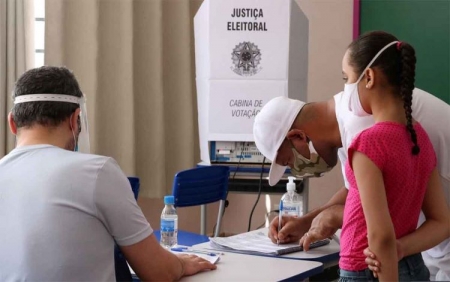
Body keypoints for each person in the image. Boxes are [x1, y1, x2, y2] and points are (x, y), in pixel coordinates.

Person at [254, 32, 450, 280]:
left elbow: (379, 219)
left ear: (297, 137)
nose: (296, 169)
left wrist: (334, 217)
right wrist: (307, 221)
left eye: (289, 161)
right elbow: (357, 190)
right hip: (416, 247)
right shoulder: (356, 120)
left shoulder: (364, 122)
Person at [0, 66, 217, 281]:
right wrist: (181, 264)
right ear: (75, 119)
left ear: (12, 123)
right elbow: (159, 272)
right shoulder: (97, 172)